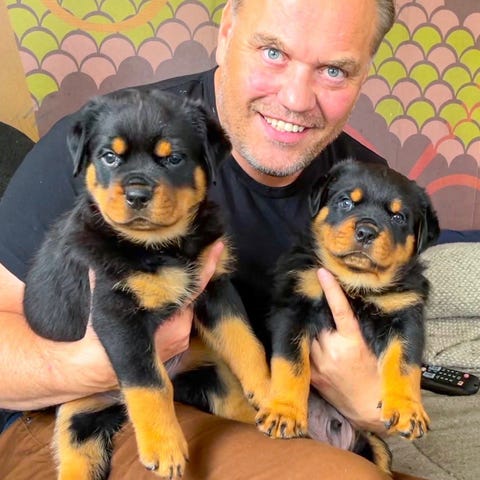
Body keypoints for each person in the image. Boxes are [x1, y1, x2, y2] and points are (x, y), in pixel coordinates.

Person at [0, 1, 426, 479]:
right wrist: (94, 367)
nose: (296, 98)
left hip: (245, 402)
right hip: (72, 412)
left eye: (334, 70)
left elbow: (386, 336)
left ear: (364, 72)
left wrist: (371, 404)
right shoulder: (103, 139)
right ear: (226, 33)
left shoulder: (365, 188)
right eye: (273, 52)